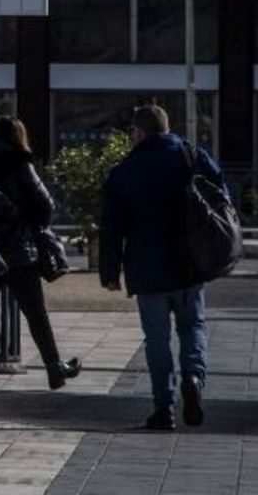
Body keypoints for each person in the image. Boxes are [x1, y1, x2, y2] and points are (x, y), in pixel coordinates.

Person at [101, 104, 228, 431]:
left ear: (138, 132)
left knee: (156, 340)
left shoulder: (125, 170)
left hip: (148, 269)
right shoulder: (190, 156)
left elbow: (112, 226)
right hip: (190, 262)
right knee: (193, 327)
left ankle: (164, 407)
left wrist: (109, 272)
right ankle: (194, 378)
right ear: (167, 129)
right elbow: (222, 196)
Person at [0, 116, 81, 393]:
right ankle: (54, 368)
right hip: (17, 248)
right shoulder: (19, 162)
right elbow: (45, 205)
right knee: (35, 311)